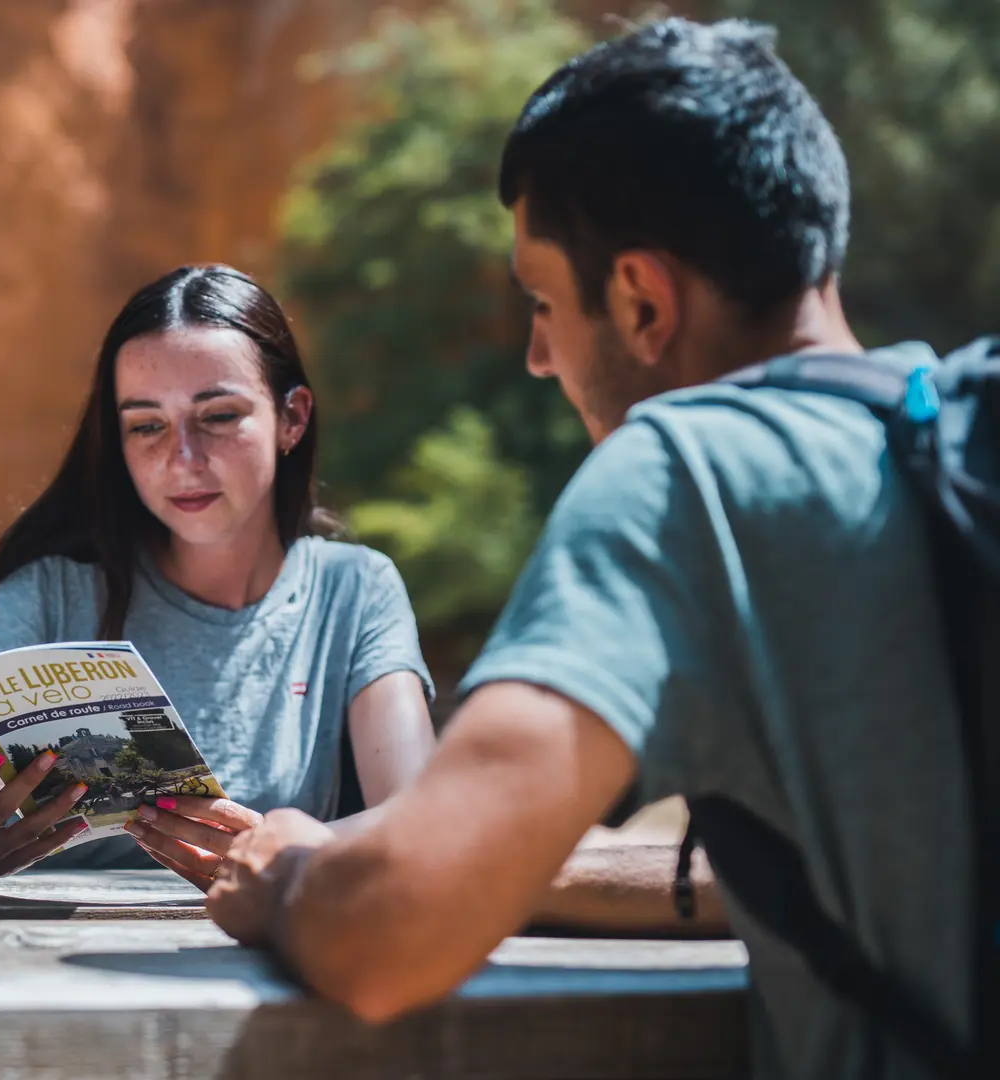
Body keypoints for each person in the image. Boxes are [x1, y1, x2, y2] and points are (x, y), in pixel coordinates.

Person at [204, 17, 975, 1078]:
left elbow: (392, 930)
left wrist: (292, 875)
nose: (534, 356)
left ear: (642, 300)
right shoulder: (952, 441)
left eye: (542, 302)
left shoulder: (688, 478)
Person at [0, 265, 438, 886]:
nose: (182, 460)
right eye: (147, 426)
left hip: (257, 961)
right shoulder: (53, 593)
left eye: (218, 416)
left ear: (292, 418)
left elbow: (421, 818)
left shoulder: (355, 591)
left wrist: (286, 848)